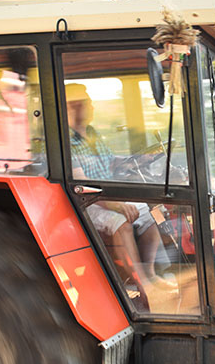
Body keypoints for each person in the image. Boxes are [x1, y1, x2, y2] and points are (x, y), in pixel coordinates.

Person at [65, 83, 174, 292]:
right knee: (122, 223)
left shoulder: (92, 133)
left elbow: (110, 161)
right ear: (74, 106)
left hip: (108, 196)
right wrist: (115, 205)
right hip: (88, 202)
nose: (92, 106)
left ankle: (151, 275)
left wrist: (138, 159)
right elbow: (81, 183)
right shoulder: (66, 142)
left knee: (151, 213)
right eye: (88, 101)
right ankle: (142, 284)